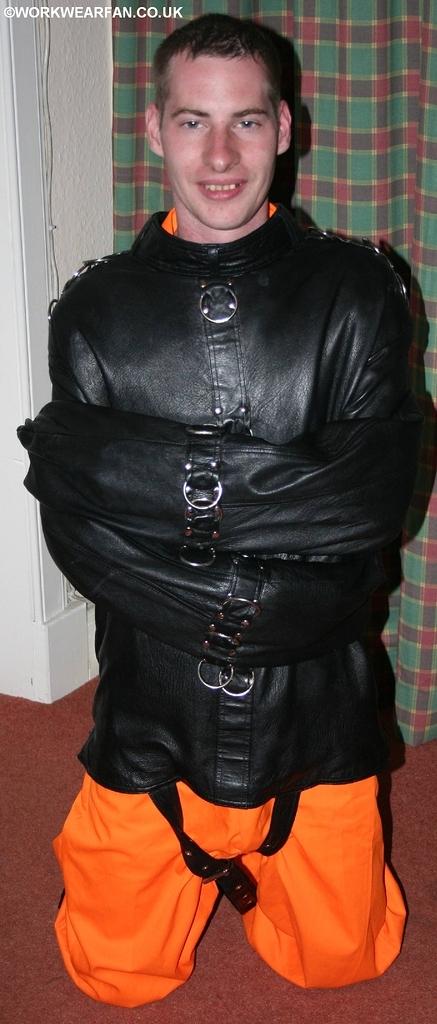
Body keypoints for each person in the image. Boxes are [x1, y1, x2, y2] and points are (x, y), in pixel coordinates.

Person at [18, 13, 421, 1009]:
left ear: (283, 127)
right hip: (149, 713)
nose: (219, 156)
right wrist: (283, 524)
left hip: (315, 711)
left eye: (245, 121)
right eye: (193, 121)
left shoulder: (358, 292)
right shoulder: (95, 310)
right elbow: (83, 538)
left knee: (342, 962)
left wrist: (146, 481)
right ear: (154, 129)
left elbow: (368, 503)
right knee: (113, 978)